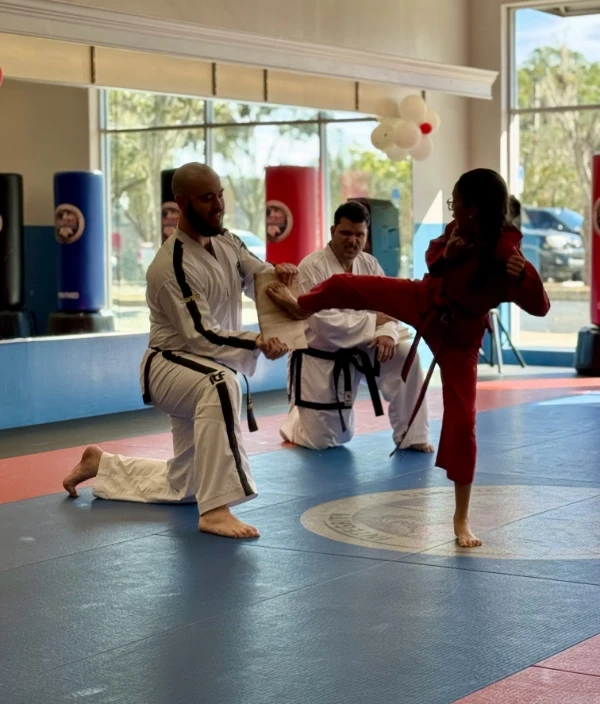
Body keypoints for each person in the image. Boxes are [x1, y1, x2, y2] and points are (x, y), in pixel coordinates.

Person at [267, 169, 550, 548]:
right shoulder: (457, 230)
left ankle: (461, 518)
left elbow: (541, 306)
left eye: (456, 203)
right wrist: (446, 255)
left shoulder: (507, 254)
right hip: (425, 301)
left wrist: (523, 279)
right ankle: (301, 307)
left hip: (460, 338)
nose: (453, 210)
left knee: (463, 422)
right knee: (346, 285)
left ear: (473, 208)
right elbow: (433, 261)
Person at [63, 162, 297, 540]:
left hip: (204, 364)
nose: (218, 205)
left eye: (220, 194)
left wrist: (280, 275)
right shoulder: (172, 264)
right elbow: (199, 334)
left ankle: (102, 465)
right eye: (207, 199)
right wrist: (256, 341)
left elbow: (260, 280)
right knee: (222, 385)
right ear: (182, 203)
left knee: (187, 483)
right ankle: (216, 510)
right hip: (169, 365)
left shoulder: (229, 242)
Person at [281, 200, 432, 453]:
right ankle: (294, 422)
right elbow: (323, 323)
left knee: (406, 356)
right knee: (326, 440)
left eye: (359, 235)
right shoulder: (312, 266)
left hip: (363, 345)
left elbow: (389, 308)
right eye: (346, 233)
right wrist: (375, 322)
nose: (353, 241)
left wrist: (386, 333)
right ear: (332, 231)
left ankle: (412, 435)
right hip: (322, 356)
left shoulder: (370, 264)